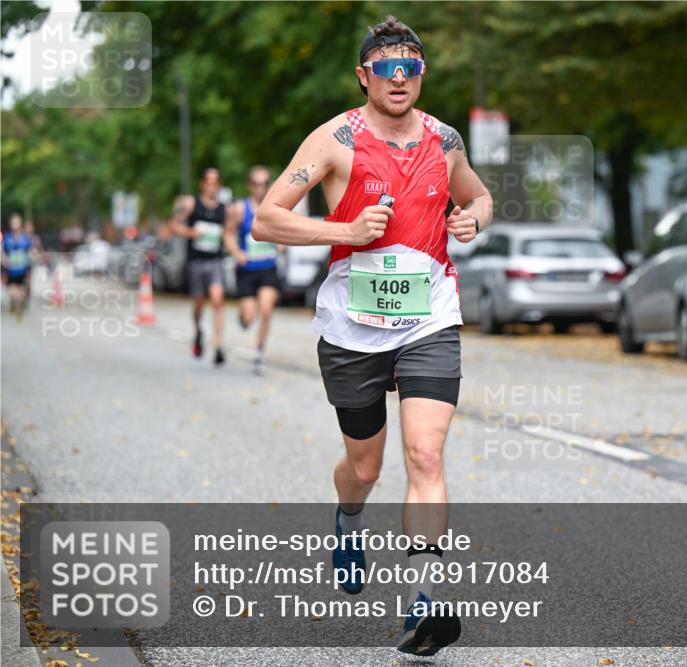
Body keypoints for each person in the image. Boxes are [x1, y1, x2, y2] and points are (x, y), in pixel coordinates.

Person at [252, 15, 492, 656]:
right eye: (386, 66)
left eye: (411, 66)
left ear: (422, 75)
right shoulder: (334, 140)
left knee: (426, 456)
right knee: (366, 467)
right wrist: (346, 232)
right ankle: (349, 518)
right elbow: (266, 220)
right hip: (353, 329)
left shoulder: (444, 139)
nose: (399, 77)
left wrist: (471, 220)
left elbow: (480, 197)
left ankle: (425, 604)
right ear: (364, 76)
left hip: (431, 319)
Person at [224, 166, 282, 374]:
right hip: (246, 270)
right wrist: (236, 252)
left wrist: (282, 243)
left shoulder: (276, 208)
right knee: (249, 317)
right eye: (256, 183)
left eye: (264, 183)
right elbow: (228, 234)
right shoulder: (239, 209)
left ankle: (259, 354)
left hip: (268, 268)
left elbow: (285, 233)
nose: (260, 188)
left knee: (266, 309)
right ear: (250, 185)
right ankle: (244, 317)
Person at [170, 168, 228, 365]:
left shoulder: (224, 209)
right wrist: (190, 232)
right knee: (199, 305)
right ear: (202, 184)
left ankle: (218, 344)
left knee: (218, 300)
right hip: (196, 262)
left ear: (219, 185)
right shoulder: (191, 204)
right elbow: (174, 225)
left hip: (216, 261)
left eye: (215, 182)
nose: (211, 186)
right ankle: (198, 331)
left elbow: (228, 233)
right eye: (208, 182)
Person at [2, 213, 33, 319]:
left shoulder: (26, 239)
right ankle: (16, 304)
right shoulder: (7, 238)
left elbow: (30, 252)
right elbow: (2, 252)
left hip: (23, 270)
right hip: (11, 270)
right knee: (12, 291)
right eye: (13, 222)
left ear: (20, 224)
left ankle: (19, 305)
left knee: (22, 292)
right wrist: (4, 259)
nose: (15, 225)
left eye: (17, 222)